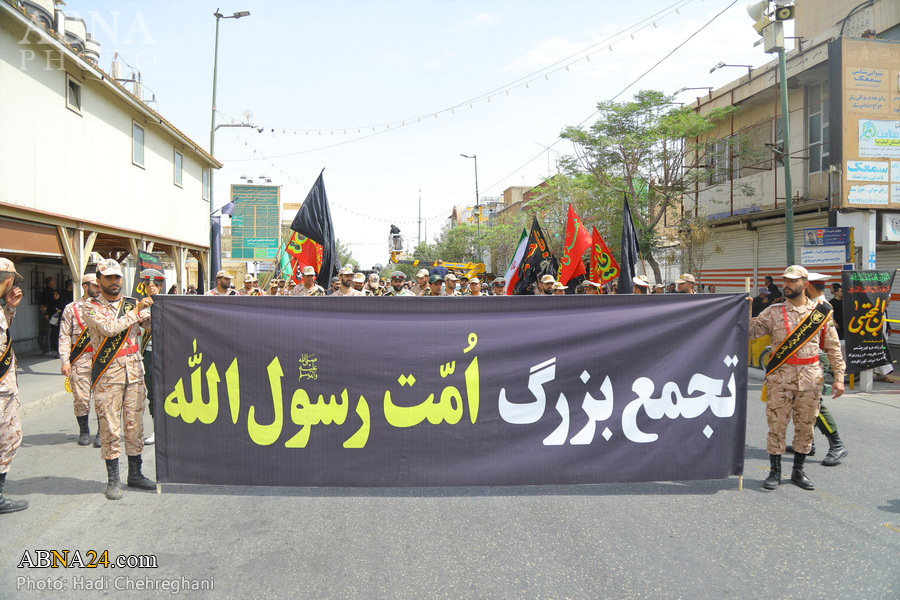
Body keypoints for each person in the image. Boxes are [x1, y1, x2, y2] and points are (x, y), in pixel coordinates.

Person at [749, 265, 845, 491]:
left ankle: (798, 471)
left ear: (805, 284)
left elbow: (833, 347)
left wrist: (839, 377)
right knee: (776, 425)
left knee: (806, 426)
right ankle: (775, 472)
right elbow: (750, 331)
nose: (787, 285)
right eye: (785, 280)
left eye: (793, 281)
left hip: (810, 379)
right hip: (780, 379)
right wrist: (746, 309)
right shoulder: (773, 311)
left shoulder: (820, 312)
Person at [82, 259, 156, 500]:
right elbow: (110, 329)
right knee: (110, 428)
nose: (114, 281)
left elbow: (152, 326)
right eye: (109, 277)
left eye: (117, 277)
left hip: (134, 373)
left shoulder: (132, 303)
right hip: (108, 375)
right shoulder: (91, 307)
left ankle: (135, 474)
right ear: (99, 280)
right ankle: (113, 480)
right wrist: (136, 311)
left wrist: (156, 302)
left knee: (135, 425)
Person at [801, 272, 849, 466]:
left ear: (809, 287)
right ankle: (807, 442)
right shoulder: (813, 304)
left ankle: (837, 444)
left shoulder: (820, 307)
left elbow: (831, 344)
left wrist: (839, 376)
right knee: (801, 402)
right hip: (807, 358)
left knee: (814, 404)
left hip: (816, 358)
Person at [59, 274, 101, 446]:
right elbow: (64, 336)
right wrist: (65, 361)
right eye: (95, 285)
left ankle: (102, 432)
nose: (99, 288)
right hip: (80, 358)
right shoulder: (71, 308)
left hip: (102, 358)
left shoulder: (105, 306)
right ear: (85, 286)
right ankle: (84, 431)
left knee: (103, 397)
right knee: (81, 397)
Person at [0, 257, 27, 513]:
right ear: (8, 281)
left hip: (6, 390)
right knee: (7, 440)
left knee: (9, 440)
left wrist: (9, 308)